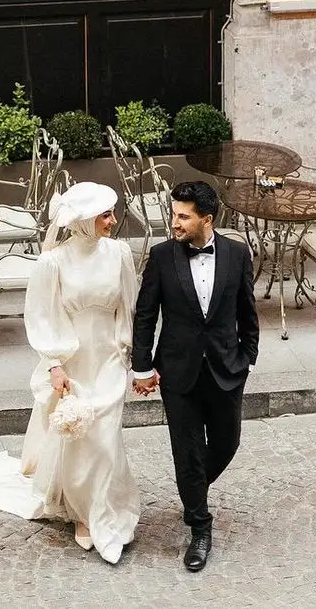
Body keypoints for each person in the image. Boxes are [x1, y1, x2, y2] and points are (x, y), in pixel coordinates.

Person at [0, 181, 141, 565]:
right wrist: (55, 364)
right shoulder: (53, 262)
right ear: (82, 222)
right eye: (104, 215)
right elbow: (42, 315)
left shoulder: (120, 253)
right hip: (74, 360)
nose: (112, 221)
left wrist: (130, 355)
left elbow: (129, 305)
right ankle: (80, 512)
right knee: (81, 440)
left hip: (109, 358)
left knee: (106, 439)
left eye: (112, 213)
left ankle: (105, 508)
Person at [131, 180, 259, 573]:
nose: (175, 222)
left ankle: (192, 488)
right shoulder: (162, 256)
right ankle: (199, 527)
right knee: (186, 452)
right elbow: (146, 314)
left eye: (183, 216)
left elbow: (247, 312)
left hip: (226, 369)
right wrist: (142, 365)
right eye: (174, 214)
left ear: (207, 218)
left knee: (227, 443)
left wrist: (247, 357)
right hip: (178, 373)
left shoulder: (237, 255)